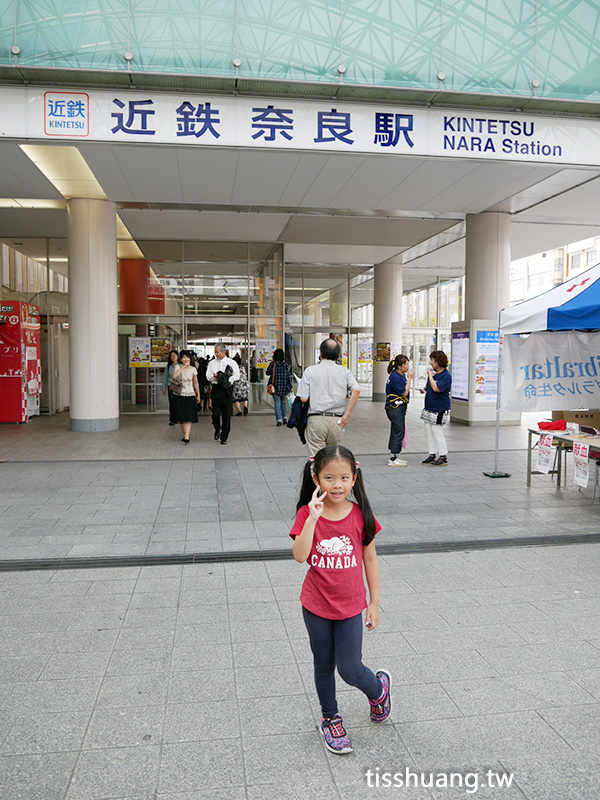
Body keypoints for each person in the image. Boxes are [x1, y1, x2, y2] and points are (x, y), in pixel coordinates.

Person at [290, 445, 392, 755]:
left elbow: (370, 560)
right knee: (324, 665)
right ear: (316, 478)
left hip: (350, 606)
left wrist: (374, 602)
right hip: (316, 605)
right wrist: (312, 520)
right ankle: (330, 717)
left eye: (344, 477)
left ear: (354, 478)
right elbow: (299, 557)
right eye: (329, 477)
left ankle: (379, 690)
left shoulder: (361, 515)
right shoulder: (308, 514)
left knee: (349, 668)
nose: (337, 484)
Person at [297, 338, 360, 457]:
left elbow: (303, 399)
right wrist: (347, 415)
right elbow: (356, 390)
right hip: (337, 420)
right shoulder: (345, 372)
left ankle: (316, 475)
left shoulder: (310, 371)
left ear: (320, 354)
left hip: (316, 420)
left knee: (316, 459)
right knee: (332, 458)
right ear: (338, 356)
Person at [421, 350, 452, 466]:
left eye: (433, 360)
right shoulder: (435, 374)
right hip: (429, 407)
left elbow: (436, 388)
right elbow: (430, 386)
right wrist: (424, 388)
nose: (431, 362)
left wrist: (429, 375)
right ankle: (432, 454)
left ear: (439, 361)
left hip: (439, 408)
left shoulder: (446, 376)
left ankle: (443, 456)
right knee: (429, 430)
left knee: (436, 431)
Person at [206, 344, 240, 445]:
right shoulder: (212, 363)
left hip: (227, 390)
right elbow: (208, 376)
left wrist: (224, 379)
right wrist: (215, 378)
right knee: (215, 413)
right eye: (215, 352)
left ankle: (224, 436)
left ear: (223, 352)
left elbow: (237, 376)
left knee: (226, 415)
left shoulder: (232, 363)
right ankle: (217, 428)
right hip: (216, 389)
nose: (215, 354)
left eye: (217, 352)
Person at [385, 355, 414, 467]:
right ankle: (393, 458)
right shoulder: (396, 377)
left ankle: (394, 454)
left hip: (397, 408)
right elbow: (404, 392)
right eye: (406, 364)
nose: (408, 366)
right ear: (399, 366)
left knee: (396, 430)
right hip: (395, 408)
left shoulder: (399, 375)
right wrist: (410, 378)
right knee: (398, 431)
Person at [170, 349, 200, 444]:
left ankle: (187, 436)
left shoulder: (193, 369)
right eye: (183, 357)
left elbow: (196, 383)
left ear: (190, 358)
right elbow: (174, 376)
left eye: (187, 357)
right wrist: (183, 367)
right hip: (179, 394)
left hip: (190, 393)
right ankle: (184, 434)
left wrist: (198, 394)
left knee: (189, 415)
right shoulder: (177, 367)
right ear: (181, 359)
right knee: (181, 416)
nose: (186, 359)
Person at [266, 348, 293, 426]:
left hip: (275, 387)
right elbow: (288, 377)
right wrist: (291, 387)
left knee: (277, 403)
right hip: (284, 387)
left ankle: (279, 420)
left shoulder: (272, 364)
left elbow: (267, 373)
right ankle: (285, 418)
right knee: (283, 403)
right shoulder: (286, 365)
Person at [161, 349, 180, 426]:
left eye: (174, 355)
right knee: (172, 403)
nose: (173, 357)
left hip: (179, 386)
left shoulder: (180, 365)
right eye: (171, 356)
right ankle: (173, 419)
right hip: (171, 386)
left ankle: (179, 418)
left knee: (178, 403)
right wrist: (163, 388)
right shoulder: (169, 366)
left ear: (177, 356)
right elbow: (165, 377)